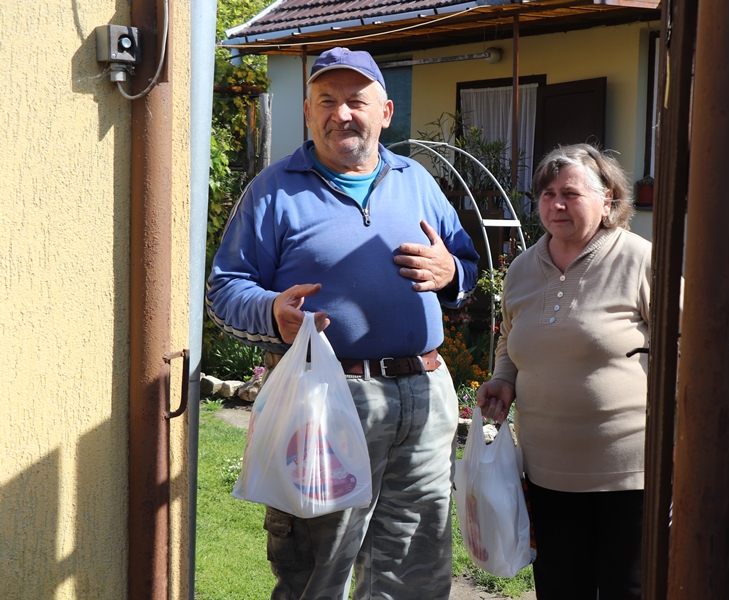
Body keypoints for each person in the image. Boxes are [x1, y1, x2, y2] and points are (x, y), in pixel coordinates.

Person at [206, 47, 479, 600]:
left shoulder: (417, 180)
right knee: (318, 569)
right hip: (326, 400)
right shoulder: (273, 191)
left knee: (414, 569)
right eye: (326, 101)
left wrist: (452, 272)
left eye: (356, 100)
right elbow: (224, 289)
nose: (342, 113)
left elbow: (467, 265)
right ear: (308, 112)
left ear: (385, 110)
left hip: (424, 398)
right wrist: (272, 312)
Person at [477, 144, 651, 599]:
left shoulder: (640, 260)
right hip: (546, 473)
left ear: (608, 199)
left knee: (628, 591)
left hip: (630, 477)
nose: (556, 205)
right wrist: (503, 378)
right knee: (559, 589)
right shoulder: (520, 270)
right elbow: (509, 341)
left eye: (571, 193)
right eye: (547, 193)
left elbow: (686, 346)